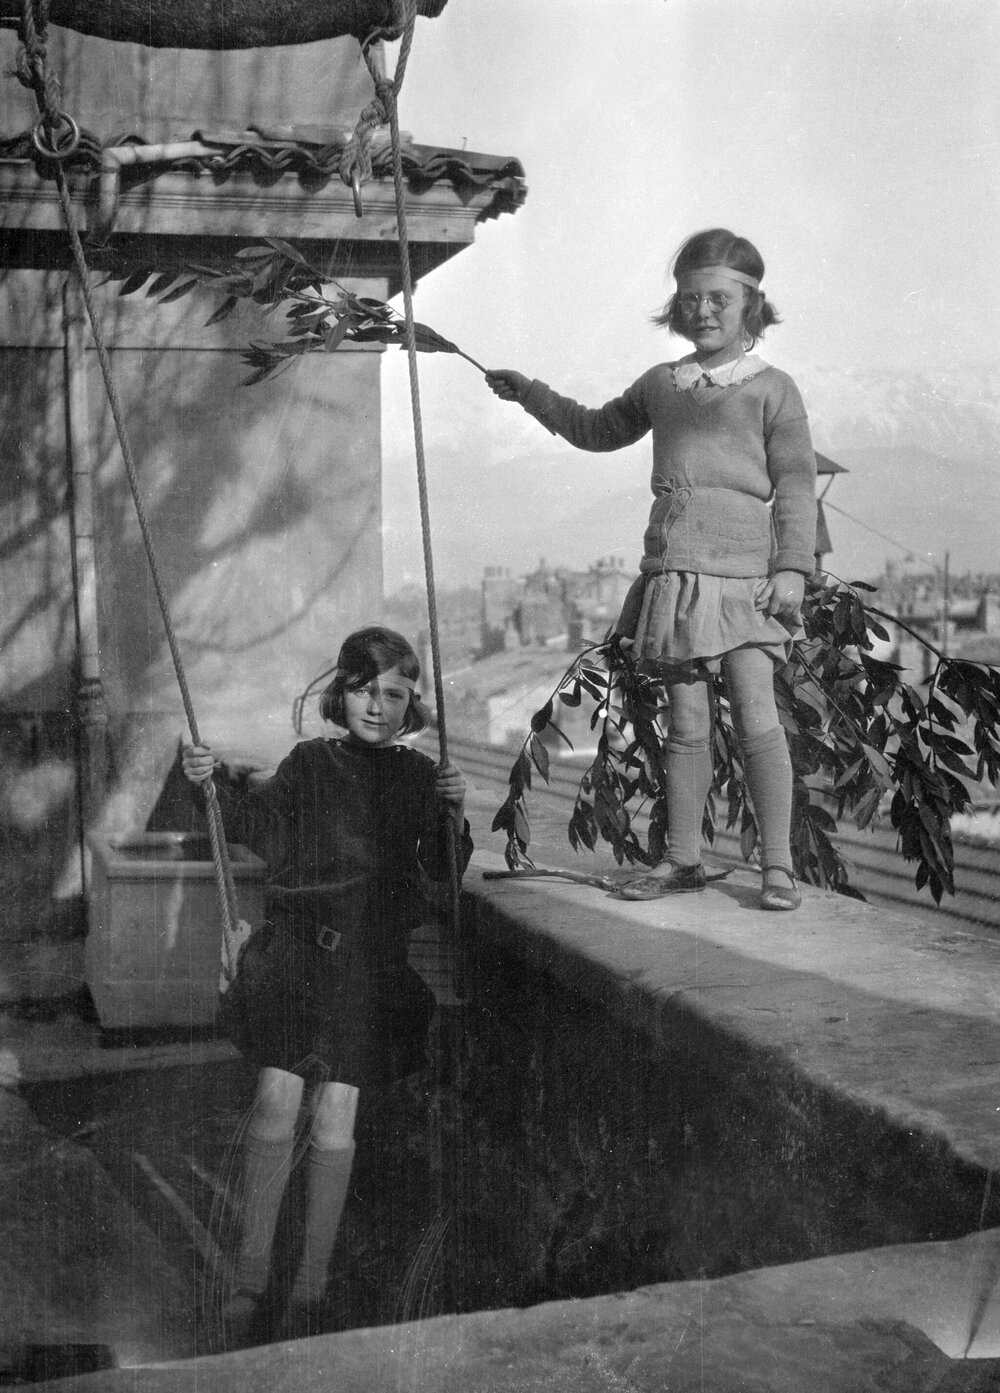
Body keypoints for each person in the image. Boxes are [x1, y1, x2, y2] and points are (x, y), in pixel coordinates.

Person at [486, 228, 816, 910]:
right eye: (690, 297)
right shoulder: (663, 386)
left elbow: (797, 484)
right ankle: (684, 859)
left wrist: (792, 569)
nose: (703, 311)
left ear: (752, 304)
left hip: (747, 581)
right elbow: (598, 428)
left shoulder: (774, 390)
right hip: (676, 577)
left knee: (758, 717)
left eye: (720, 298)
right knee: (688, 722)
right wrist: (532, 395)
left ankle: (778, 866)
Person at [182, 625, 471, 1344]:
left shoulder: (416, 778)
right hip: (297, 959)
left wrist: (454, 810)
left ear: (412, 705)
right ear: (340, 693)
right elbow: (261, 828)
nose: (379, 705)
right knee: (276, 1100)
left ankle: (309, 1288)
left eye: (395, 694)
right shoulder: (309, 763)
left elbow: (444, 871)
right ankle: (252, 1277)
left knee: (336, 1116)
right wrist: (207, 783)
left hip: (369, 971)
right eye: (365, 689)